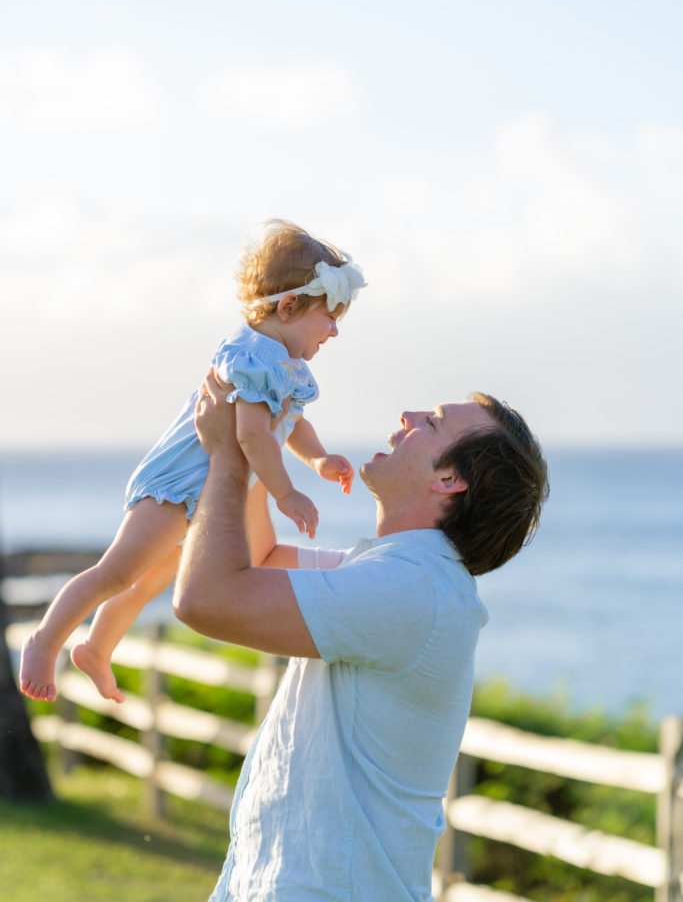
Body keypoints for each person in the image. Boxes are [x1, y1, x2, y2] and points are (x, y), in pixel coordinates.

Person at [173, 369, 549, 902]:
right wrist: (257, 439)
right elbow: (259, 561)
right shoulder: (392, 573)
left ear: (449, 480)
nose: (408, 416)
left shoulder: (410, 589)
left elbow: (205, 600)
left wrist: (226, 459)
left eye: (433, 422)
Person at [19, 220, 365, 704]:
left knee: (150, 580)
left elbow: (290, 424)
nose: (333, 331)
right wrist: (286, 493)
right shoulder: (253, 358)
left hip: (204, 498)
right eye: (330, 318)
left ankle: (96, 649)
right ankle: (45, 640)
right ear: (289, 307)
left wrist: (320, 460)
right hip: (176, 487)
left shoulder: (287, 365)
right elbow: (249, 434)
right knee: (118, 573)